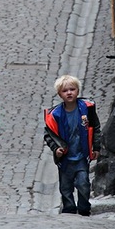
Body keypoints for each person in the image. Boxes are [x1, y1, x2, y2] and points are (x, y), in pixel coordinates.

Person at [44, 75, 101, 216]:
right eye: (65, 91)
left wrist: (96, 147)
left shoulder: (87, 109)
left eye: (72, 89)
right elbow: (49, 136)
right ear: (59, 94)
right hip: (65, 158)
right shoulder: (55, 115)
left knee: (83, 184)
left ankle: (83, 208)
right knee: (65, 187)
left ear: (78, 91)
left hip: (82, 155)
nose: (69, 93)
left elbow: (96, 128)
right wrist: (56, 149)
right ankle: (69, 209)